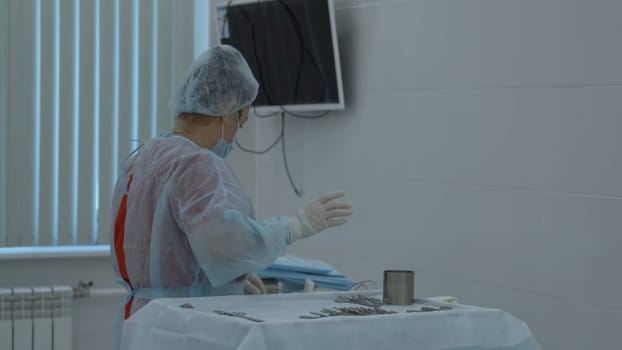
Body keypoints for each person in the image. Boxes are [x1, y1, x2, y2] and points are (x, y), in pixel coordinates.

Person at [111, 44, 352, 346]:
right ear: (226, 107)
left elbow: (168, 245)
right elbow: (226, 246)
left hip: (144, 323)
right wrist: (295, 226)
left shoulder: (144, 157)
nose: (237, 133)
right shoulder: (196, 164)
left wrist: (227, 278)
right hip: (185, 325)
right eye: (242, 120)